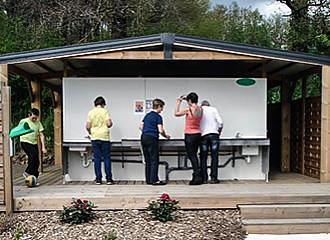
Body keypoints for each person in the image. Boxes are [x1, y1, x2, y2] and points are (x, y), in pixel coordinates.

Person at [175, 92, 203, 185]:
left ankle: (197, 176)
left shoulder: (188, 110)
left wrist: (178, 102)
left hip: (189, 135)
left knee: (192, 157)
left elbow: (176, 113)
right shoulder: (200, 109)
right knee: (195, 156)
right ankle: (198, 175)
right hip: (198, 134)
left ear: (190, 101)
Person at [140, 99, 170, 185]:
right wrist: (166, 136)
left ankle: (148, 180)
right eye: (162, 107)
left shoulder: (147, 116)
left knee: (147, 160)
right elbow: (160, 130)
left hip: (144, 137)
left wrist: (147, 130)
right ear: (159, 106)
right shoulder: (158, 117)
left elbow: (141, 126)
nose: (162, 110)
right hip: (152, 138)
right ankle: (154, 180)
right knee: (154, 159)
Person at [86, 96, 113, 185]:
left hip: (95, 137)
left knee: (97, 159)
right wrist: (109, 124)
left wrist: (91, 132)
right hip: (104, 137)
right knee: (106, 158)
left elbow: (87, 126)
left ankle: (98, 179)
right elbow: (108, 124)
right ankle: (109, 179)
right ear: (103, 104)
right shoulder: (105, 111)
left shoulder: (91, 112)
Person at [20, 108, 47, 184]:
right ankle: (27, 172)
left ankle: (34, 178)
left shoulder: (38, 123)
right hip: (25, 141)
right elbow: (18, 130)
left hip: (33, 143)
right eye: (33, 118)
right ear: (29, 115)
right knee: (32, 156)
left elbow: (41, 135)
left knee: (37, 161)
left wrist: (43, 147)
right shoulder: (23, 121)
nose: (35, 119)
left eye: (36, 118)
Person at [200, 100, 223, 184]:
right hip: (214, 135)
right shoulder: (213, 109)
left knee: (203, 157)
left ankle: (204, 178)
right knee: (214, 157)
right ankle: (213, 178)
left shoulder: (199, 110)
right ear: (209, 105)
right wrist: (219, 131)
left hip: (203, 136)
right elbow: (220, 122)